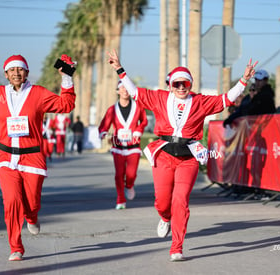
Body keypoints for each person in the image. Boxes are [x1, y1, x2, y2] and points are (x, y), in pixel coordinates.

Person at [107, 49, 257, 261]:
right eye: (176, 83)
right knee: (162, 201)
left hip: (188, 158)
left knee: (180, 200)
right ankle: (164, 217)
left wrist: (243, 80)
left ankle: (177, 246)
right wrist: (119, 69)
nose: (180, 87)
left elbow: (225, 100)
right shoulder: (159, 97)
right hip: (163, 155)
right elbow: (135, 92)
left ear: (190, 85)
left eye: (184, 84)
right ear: (170, 85)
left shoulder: (200, 102)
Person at [0, 53, 76, 261]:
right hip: (6, 158)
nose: (16, 73)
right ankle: (16, 247)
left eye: (20, 69)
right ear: (6, 74)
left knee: (32, 203)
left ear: (26, 73)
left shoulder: (39, 94)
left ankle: (32, 217)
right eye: (12, 70)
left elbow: (66, 105)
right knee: (12, 201)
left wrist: (67, 77)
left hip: (32, 158)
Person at [98, 80, 148, 210]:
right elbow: (104, 125)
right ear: (118, 91)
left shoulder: (138, 107)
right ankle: (120, 199)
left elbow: (144, 121)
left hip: (133, 146)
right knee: (119, 174)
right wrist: (104, 134)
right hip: (118, 147)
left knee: (131, 174)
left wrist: (139, 130)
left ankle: (130, 185)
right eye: (122, 88)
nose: (125, 90)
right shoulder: (112, 109)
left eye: (127, 88)